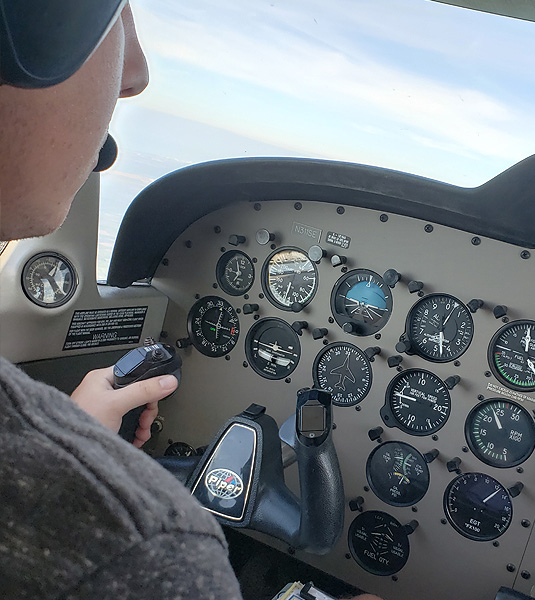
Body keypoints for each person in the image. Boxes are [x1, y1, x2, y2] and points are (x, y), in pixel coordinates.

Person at [0, 2, 381, 599]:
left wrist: (71, 435)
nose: (138, 72)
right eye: (109, 12)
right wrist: (75, 464)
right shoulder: (143, 548)